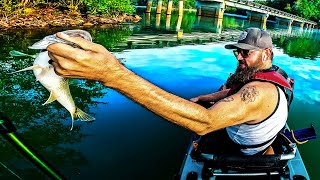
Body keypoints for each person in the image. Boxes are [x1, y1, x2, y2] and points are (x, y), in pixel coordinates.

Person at [47, 27, 292, 155]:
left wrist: (111, 75)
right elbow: (230, 91)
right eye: (236, 51)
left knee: (201, 138)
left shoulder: (260, 92)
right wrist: (203, 98)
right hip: (257, 137)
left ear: (267, 53)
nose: (238, 56)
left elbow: (206, 122)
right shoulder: (265, 75)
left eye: (245, 52)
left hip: (239, 148)